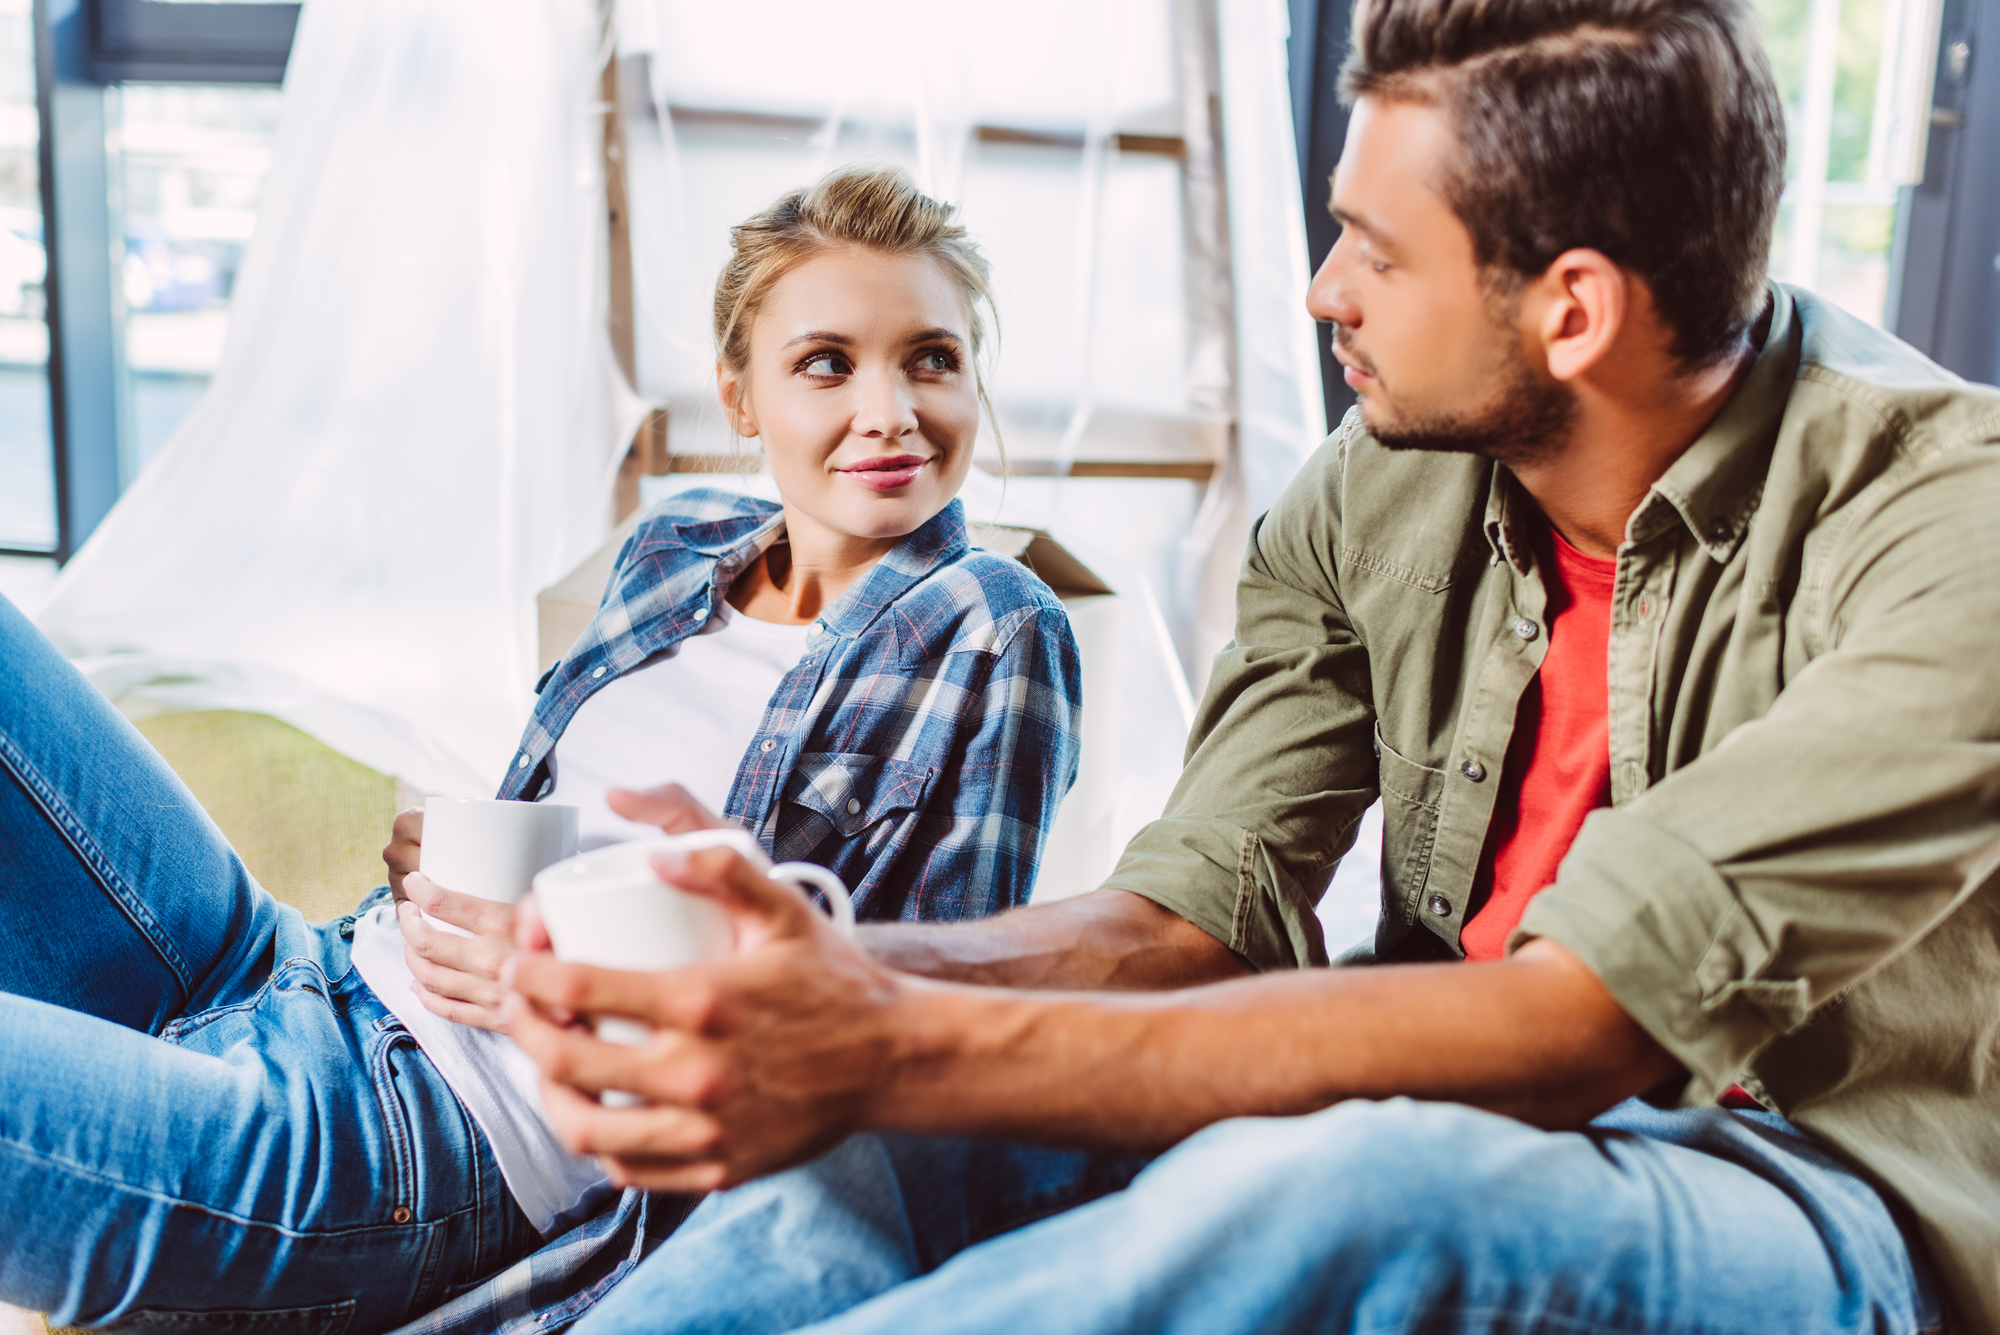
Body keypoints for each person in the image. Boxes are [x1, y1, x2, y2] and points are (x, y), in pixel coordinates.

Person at [500, 3, 2000, 1333]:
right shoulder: (1382, 478)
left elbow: (1574, 1027)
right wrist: (817, 974)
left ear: (1575, 308)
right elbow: (1193, 918)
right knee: (878, 1146)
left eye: (1380, 250)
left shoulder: (1951, 521)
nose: (1322, 289)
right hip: (1423, 1092)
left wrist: (894, 1034)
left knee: (1353, 1186)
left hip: (1812, 1182)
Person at [0, 164, 1082, 1333]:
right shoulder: (675, 547)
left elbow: (886, 1042)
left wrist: (557, 980)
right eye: (827, 362)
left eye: (932, 357)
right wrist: (444, 864)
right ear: (741, 395)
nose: (891, 411)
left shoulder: (991, 625)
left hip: (424, 1149)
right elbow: (564, 820)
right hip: (307, 974)